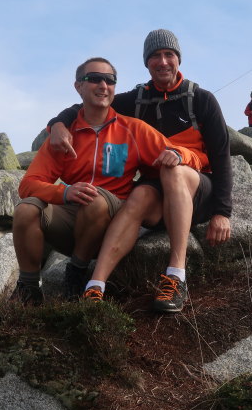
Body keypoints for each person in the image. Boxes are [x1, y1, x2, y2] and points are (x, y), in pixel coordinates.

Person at [46, 29, 232, 313]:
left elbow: (221, 158)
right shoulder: (135, 101)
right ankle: (95, 287)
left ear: (178, 59)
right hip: (157, 189)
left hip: (196, 188)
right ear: (147, 62)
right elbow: (87, 106)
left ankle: (176, 276)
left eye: (169, 54)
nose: (163, 61)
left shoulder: (201, 99)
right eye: (155, 56)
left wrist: (222, 212)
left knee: (174, 170)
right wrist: (58, 124)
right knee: (138, 196)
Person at [11, 57, 198, 305]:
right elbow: (27, 185)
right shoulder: (63, 136)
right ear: (78, 86)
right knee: (25, 210)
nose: (103, 85)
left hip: (112, 220)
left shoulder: (133, 129)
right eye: (94, 79)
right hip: (71, 217)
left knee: (95, 200)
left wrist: (179, 153)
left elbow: (188, 156)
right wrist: (64, 194)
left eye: (110, 80)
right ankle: (29, 286)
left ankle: (76, 272)